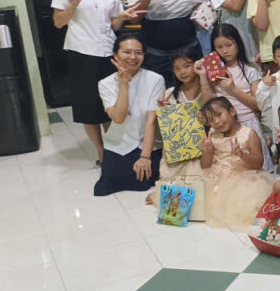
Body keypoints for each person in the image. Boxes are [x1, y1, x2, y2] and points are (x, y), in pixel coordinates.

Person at [51, 0, 144, 165]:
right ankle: (101, 152)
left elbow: (113, 25)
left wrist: (122, 17)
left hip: (108, 52)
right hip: (82, 52)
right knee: (89, 107)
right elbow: (58, 22)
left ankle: (114, 147)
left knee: (111, 103)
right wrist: (72, 6)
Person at [125, 0, 213, 85]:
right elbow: (133, 18)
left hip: (187, 56)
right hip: (156, 57)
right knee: (159, 92)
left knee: (192, 91)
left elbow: (208, 10)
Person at [93, 34, 164, 196]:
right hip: (119, 142)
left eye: (138, 53)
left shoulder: (155, 79)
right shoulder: (105, 83)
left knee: (142, 183)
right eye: (127, 52)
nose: (133, 57)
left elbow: (151, 121)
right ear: (115, 55)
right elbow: (118, 118)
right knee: (108, 185)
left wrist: (145, 156)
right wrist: (124, 84)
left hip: (147, 143)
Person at [144, 43, 208, 207]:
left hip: (204, 146)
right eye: (177, 68)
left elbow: (211, 105)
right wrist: (165, 110)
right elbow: (168, 129)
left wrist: (203, 77)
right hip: (179, 149)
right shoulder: (171, 93)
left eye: (187, 66)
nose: (182, 72)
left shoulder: (207, 88)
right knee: (172, 186)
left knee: (201, 189)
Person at [200, 97, 274, 231]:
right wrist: (208, 152)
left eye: (219, 114)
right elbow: (205, 166)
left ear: (232, 111)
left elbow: (258, 163)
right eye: (211, 120)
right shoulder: (213, 136)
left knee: (245, 208)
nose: (216, 121)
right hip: (217, 178)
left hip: (243, 179)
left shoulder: (248, 134)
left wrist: (242, 155)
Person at [198, 25, 265, 157]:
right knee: (230, 164)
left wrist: (233, 89)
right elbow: (207, 103)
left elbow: (258, 104)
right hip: (222, 127)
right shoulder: (213, 72)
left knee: (255, 162)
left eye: (229, 45)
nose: (225, 51)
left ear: (237, 43)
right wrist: (202, 76)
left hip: (248, 123)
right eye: (219, 47)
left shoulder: (250, 71)